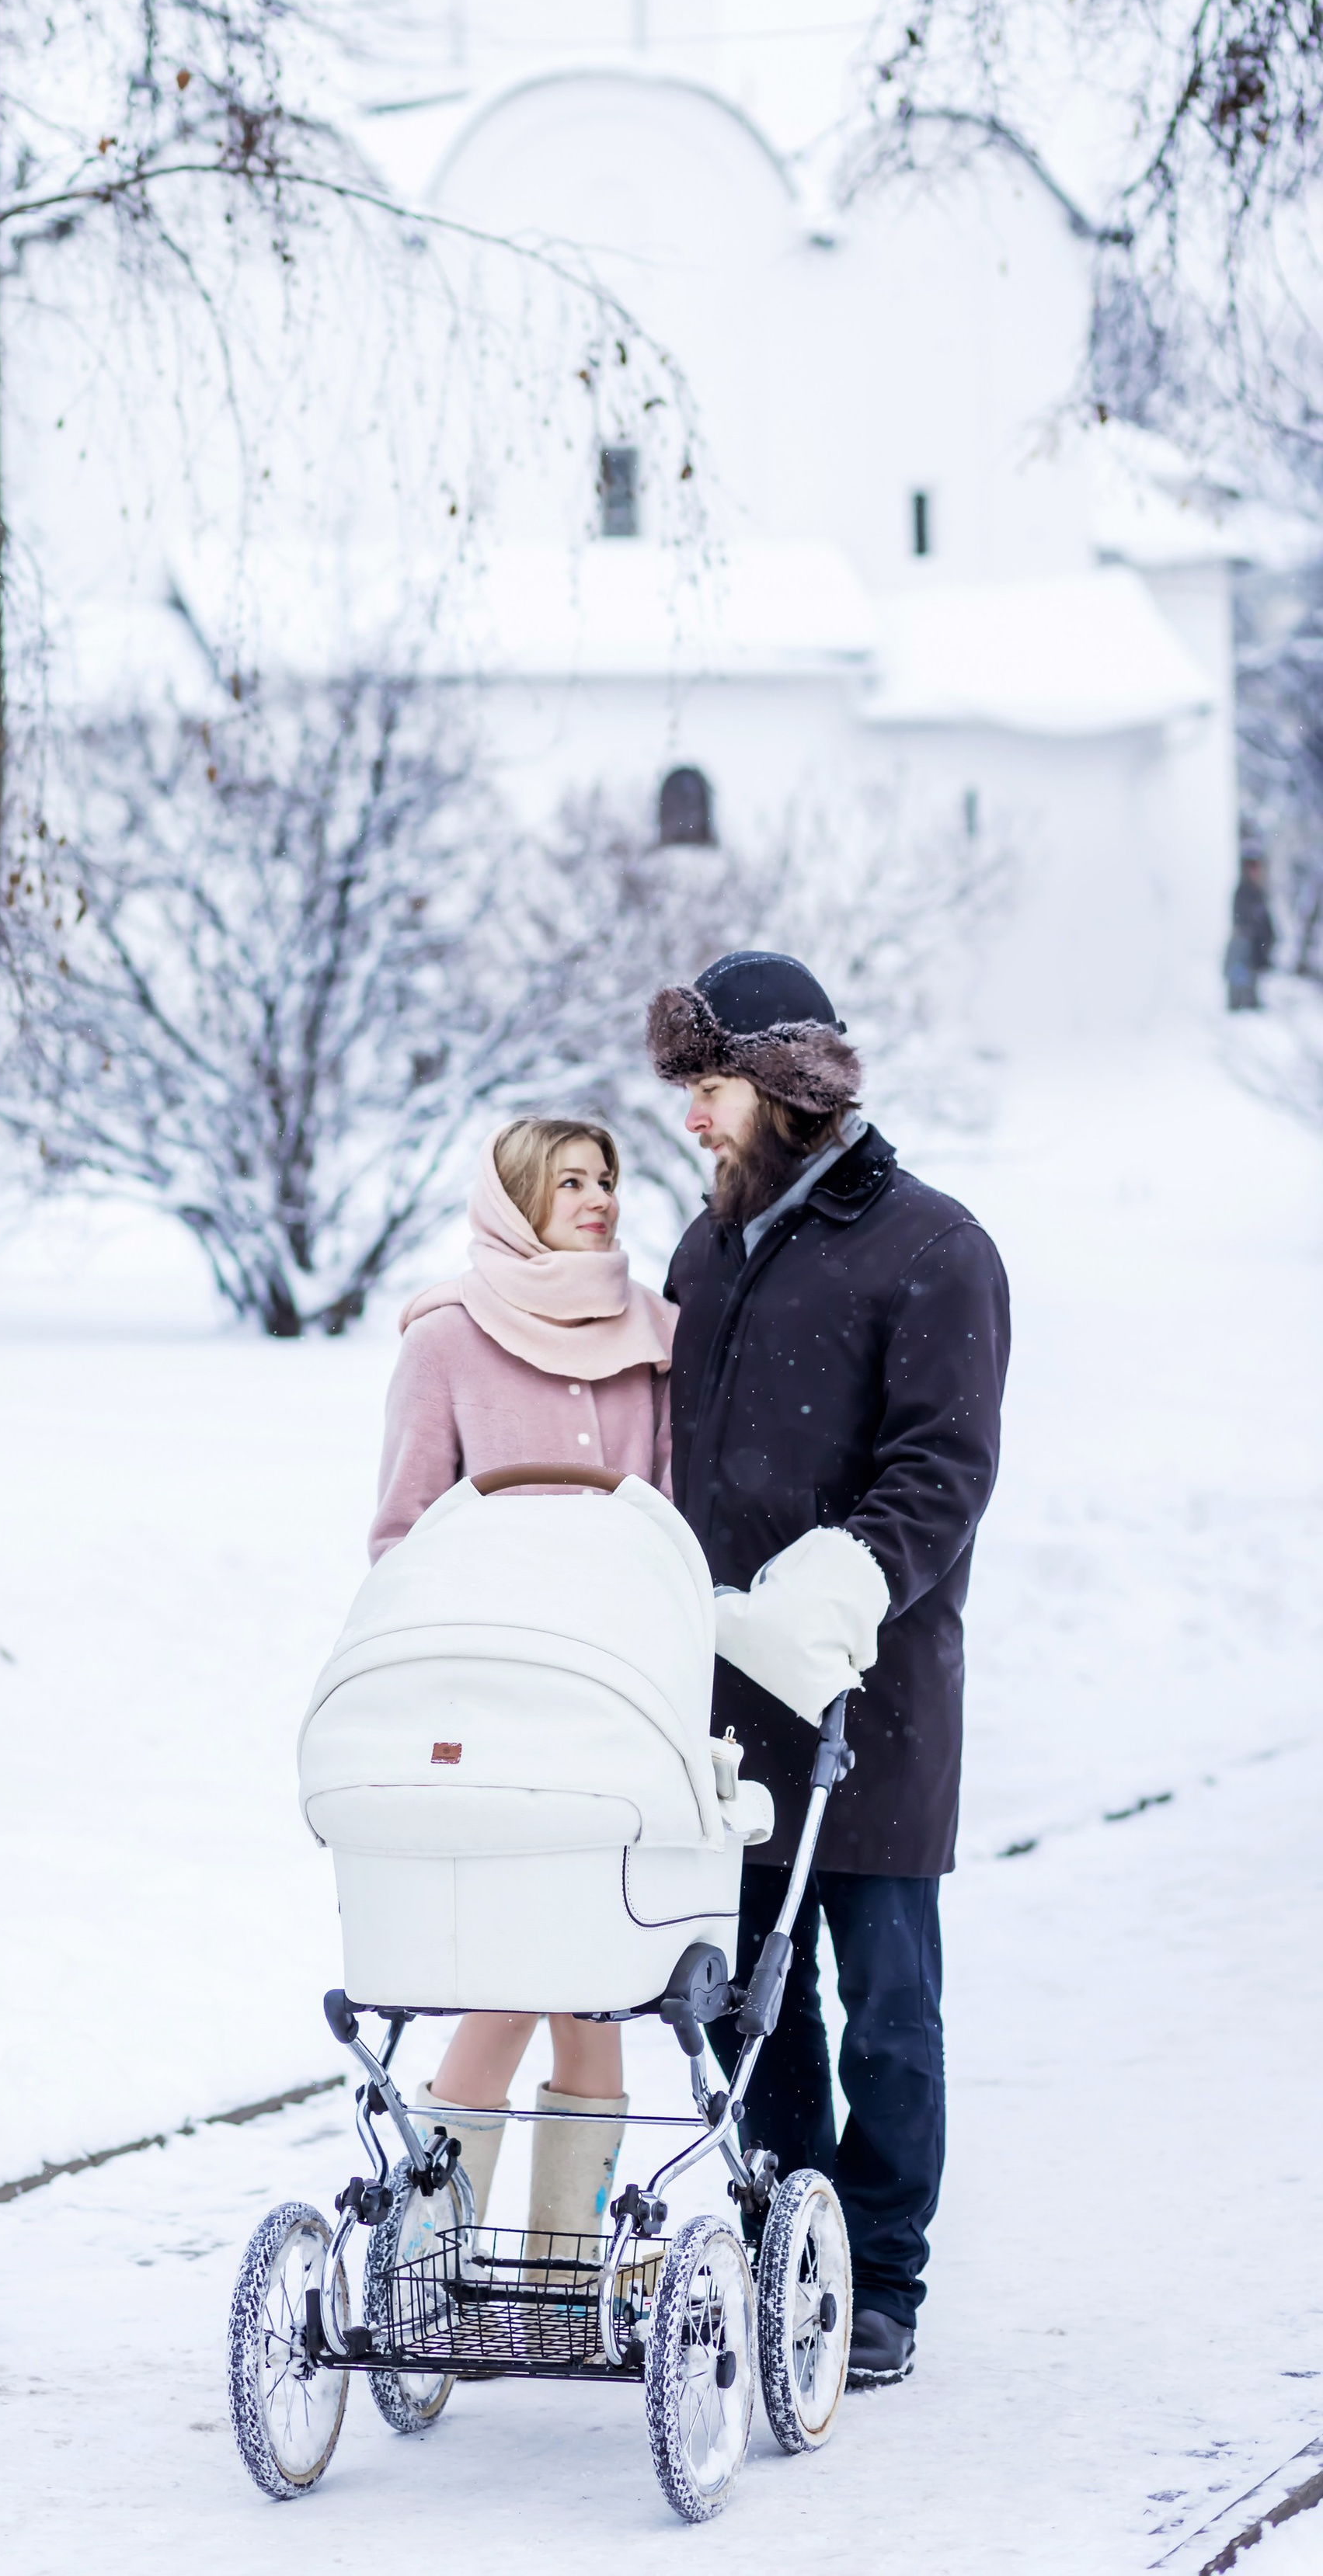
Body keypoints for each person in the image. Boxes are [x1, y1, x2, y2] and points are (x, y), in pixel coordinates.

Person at [646, 950, 1010, 2390]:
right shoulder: (707, 1251)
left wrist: (843, 1580)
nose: (692, 1121)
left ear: (788, 1093)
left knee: (889, 2000)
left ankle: (883, 2275)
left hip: (873, 1695)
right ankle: (785, 2229)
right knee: (752, 1997)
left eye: (712, 1090)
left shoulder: (932, 1249)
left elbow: (945, 1467)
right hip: (724, 1701)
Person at [370, 1115, 675, 2251]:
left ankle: (558, 2276)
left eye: (606, 1179)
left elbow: (671, 1522)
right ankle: (423, 2268)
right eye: (569, 1182)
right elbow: (402, 1532)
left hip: (619, 1703)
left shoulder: (654, 1336)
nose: (597, 1199)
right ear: (513, 1199)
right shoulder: (445, 1337)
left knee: (596, 1990)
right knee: (506, 1980)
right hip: (491, 1704)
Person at [1226, 848, 1276, 1010]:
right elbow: (1242, 918)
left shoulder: (1258, 892)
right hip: (1245, 941)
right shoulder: (1243, 891)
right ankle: (1238, 1001)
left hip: (1256, 943)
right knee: (1240, 971)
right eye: (1253, 868)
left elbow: (1264, 919)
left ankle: (1250, 1000)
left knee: (1252, 972)